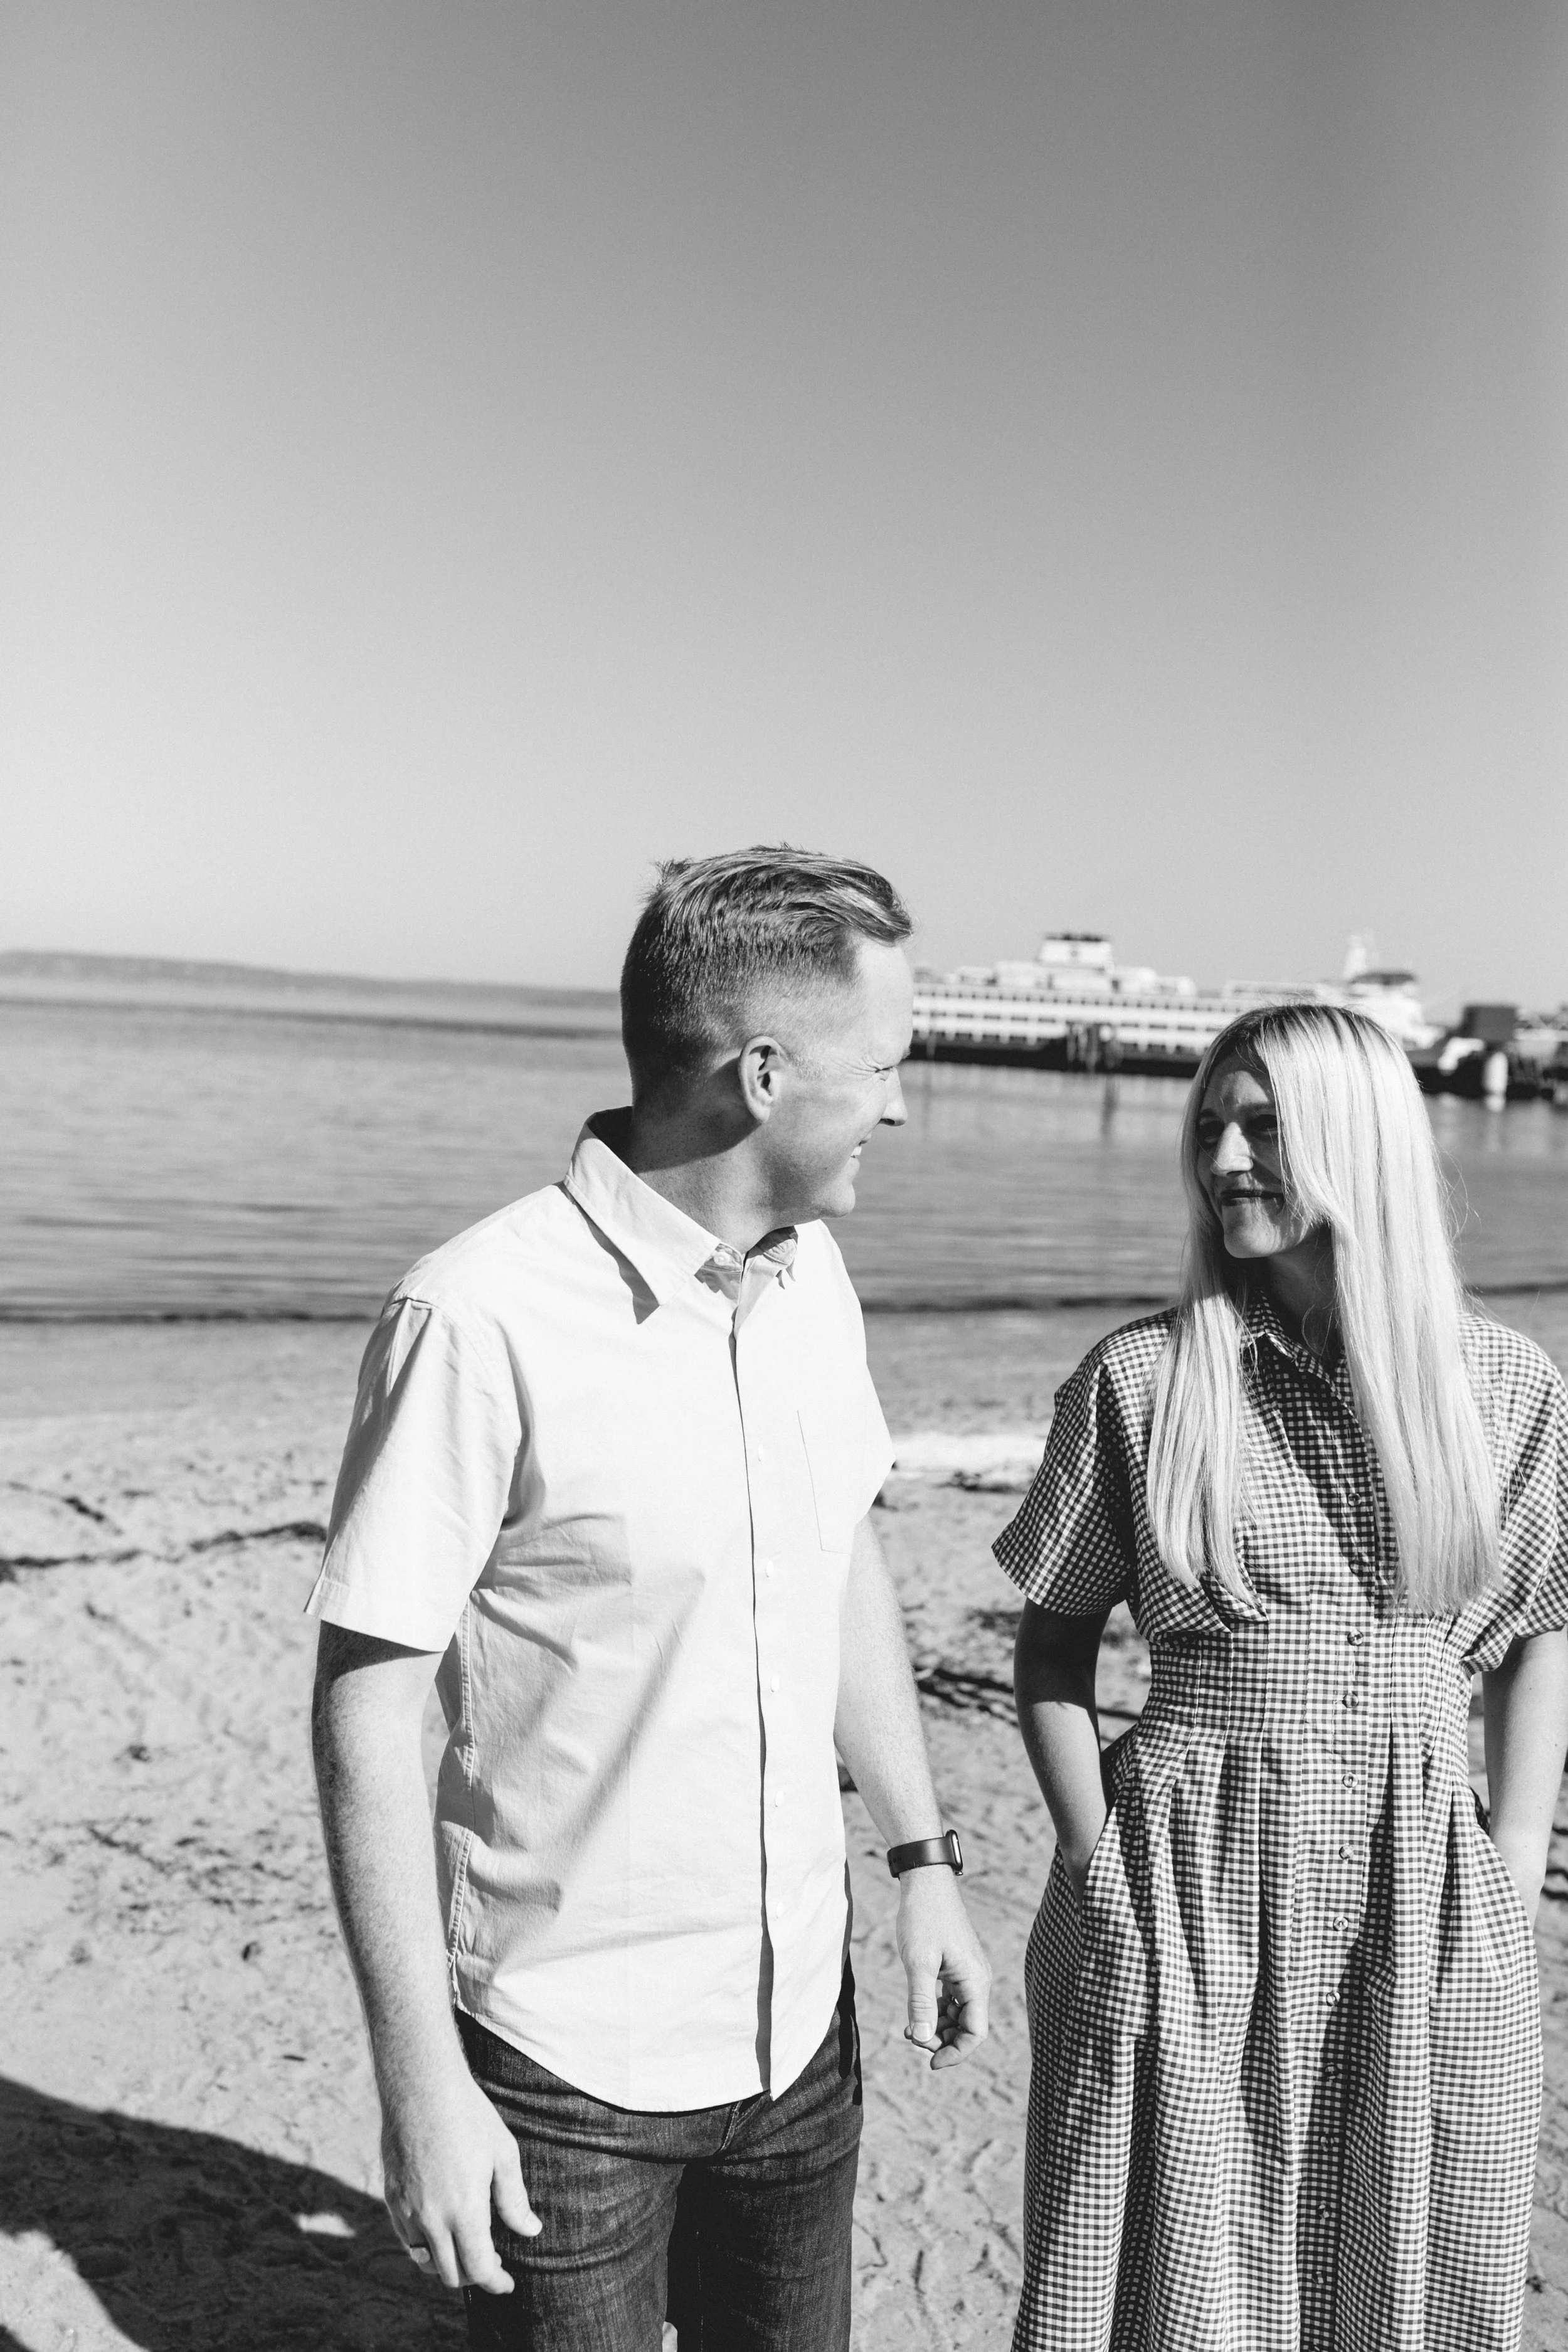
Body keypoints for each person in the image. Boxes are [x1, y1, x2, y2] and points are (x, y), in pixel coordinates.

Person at [308, 845, 990, 2351]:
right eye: (881, 1065)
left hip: (799, 2037)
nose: (897, 1102)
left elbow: (841, 1562)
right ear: (761, 1075)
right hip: (567, 2069)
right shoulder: (477, 1314)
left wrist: (920, 1857)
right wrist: (419, 2083)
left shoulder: (815, 1284)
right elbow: (363, 1711)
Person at [999, 1002, 1568, 2352]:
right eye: (1209, 1128)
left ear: (1354, 1144)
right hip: (1177, 1877)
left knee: (1426, 2275)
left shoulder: (1502, 1388)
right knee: (1161, 2281)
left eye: (1263, 1125)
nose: (1224, 1159)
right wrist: (1097, 1868)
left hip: (1423, 1878)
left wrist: (1510, 1853)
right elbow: (1051, 1647)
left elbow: (1540, 1626)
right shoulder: (1141, 1380)